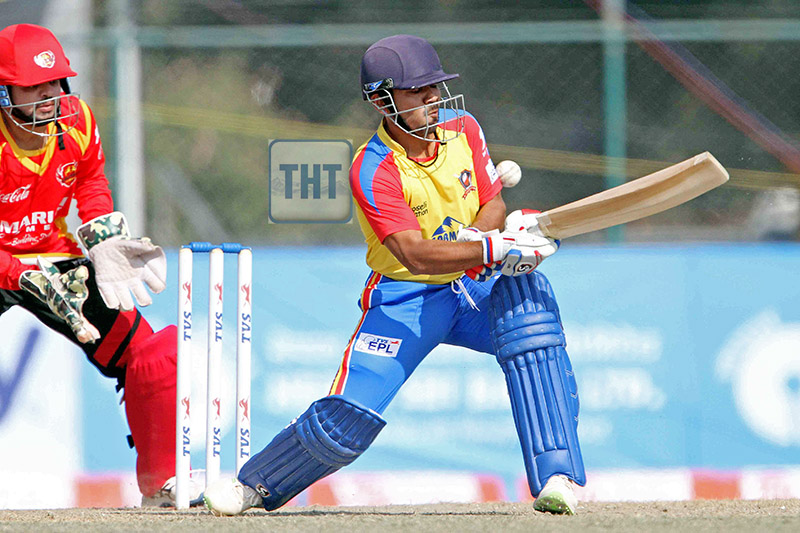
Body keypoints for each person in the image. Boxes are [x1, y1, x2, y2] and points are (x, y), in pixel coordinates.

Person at [204, 34, 585, 515]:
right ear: (382, 99)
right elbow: (414, 255)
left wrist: (501, 241)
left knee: (530, 315)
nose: (433, 98)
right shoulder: (372, 167)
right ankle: (254, 484)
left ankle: (557, 477)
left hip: (472, 285)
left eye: (435, 87)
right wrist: (489, 245)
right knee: (347, 420)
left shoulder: (463, 128)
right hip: (405, 298)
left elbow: (493, 203)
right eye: (417, 90)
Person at [0, 23, 191, 505]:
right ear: (4, 90)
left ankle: (160, 484)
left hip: (50, 253)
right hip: (5, 262)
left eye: (54, 82)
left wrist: (103, 236)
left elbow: (89, 182)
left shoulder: (77, 120)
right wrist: (17, 274)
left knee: (153, 355)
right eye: (32, 85)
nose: (48, 95)